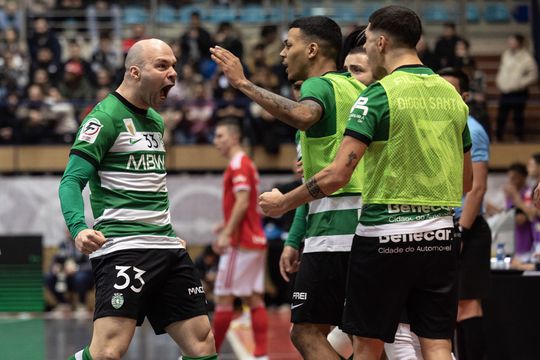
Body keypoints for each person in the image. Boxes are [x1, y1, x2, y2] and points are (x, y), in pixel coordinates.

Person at [259, 6, 473, 360]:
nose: (366, 48)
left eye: (369, 40)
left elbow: (338, 174)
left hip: (385, 235)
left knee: (367, 343)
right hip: (439, 232)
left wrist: (284, 203)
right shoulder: (452, 97)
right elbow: (465, 181)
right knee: (436, 344)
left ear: (383, 42)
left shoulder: (376, 95)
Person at [211, 16, 365, 359]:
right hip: (366, 223)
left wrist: (243, 84)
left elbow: (304, 115)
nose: (282, 54)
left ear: (311, 50)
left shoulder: (319, 86)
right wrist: (296, 238)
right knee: (363, 337)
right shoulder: (355, 88)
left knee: (305, 332)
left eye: (288, 45)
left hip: (334, 229)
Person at [58, 38, 216, 360]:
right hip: (124, 248)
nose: (173, 74)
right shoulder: (104, 118)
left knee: (201, 346)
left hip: (166, 248)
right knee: (107, 352)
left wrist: (164, 232)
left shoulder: (156, 121)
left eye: (173, 66)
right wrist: (78, 228)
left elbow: (150, 184)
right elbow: (71, 181)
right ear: (134, 72)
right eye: (162, 66)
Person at [385, 68, 490, 360]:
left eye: (450, 89)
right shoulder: (434, 125)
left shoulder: (473, 129)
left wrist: (462, 234)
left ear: (465, 96)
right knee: (438, 313)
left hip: (465, 226)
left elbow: (476, 188)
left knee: (467, 306)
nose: (441, 94)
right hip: (439, 224)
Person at [211, 119, 269, 359]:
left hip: (241, 242)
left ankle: (207, 353)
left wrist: (227, 233)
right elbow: (245, 202)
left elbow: (244, 201)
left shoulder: (238, 165)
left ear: (234, 137)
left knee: (223, 298)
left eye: (220, 136)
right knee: (252, 297)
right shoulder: (246, 163)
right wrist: (225, 224)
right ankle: (261, 354)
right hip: (254, 239)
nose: (216, 142)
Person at [495, 33, 538, 142]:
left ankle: (519, 137)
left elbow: (533, 75)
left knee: (518, 116)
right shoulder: (506, 54)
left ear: (519, 43)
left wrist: (521, 83)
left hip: (518, 92)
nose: (510, 43)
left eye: (513, 41)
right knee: (501, 116)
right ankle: (499, 137)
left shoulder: (526, 57)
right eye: (509, 41)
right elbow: (502, 69)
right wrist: (499, 81)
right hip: (505, 90)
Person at [44, 230, 94, 318]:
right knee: (48, 277)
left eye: (71, 230)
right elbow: (55, 261)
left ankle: (81, 305)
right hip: (66, 277)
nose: (69, 232)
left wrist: (76, 268)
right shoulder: (63, 245)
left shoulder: (85, 242)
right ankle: (63, 304)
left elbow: (90, 265)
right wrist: (55, 268)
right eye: (67, 230)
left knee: (80, 277)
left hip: (83, 277)